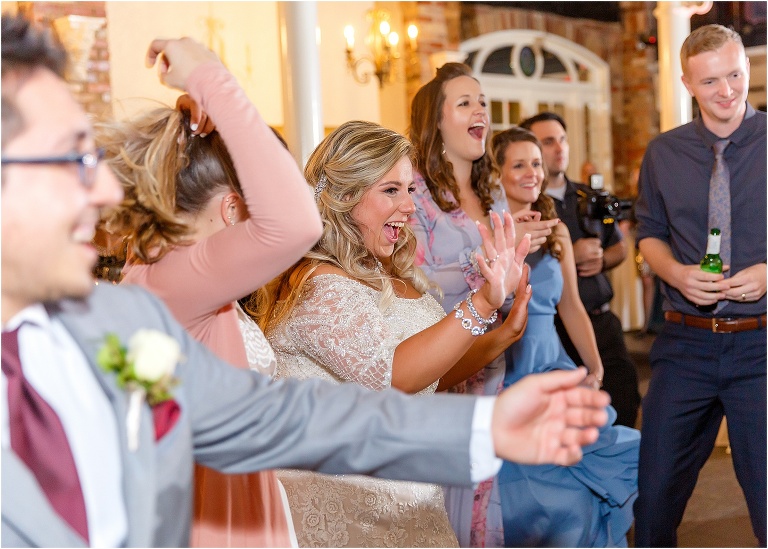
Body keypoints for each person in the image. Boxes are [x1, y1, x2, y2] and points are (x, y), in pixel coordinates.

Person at [0, 14, 613, 548]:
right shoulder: (161, 291)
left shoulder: (113, 325)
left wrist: (486, 425)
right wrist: (214, 77)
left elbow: (291, 417)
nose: (105, 190)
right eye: (69, 160)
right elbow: (296, 227)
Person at [250, 120, 532, 547]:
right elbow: (394, 377)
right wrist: (482, 304)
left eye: (410, 189)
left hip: (409, 501)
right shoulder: (315, 285)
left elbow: (430, 377)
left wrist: (505, 331)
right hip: (349, 515)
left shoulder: (390, 271)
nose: (409, 206)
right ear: (344, 196)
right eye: (391, 190)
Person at [95, 38, 319, 547]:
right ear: (234, 209)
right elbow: (299, 222)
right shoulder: (173, 280)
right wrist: (214, 80)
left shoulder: (155, 268)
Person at [407, 62, 560, 547]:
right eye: (465, 102)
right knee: (443, 505)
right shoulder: (416, 193)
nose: (481, 111)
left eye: (483, 103)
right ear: (436, 121)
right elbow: (413, 280)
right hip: (446, 366)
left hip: (491, 362)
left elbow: (503, 283)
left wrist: (514, 258)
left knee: (481, 503)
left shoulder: (490, 194)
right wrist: (486, 260)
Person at [633, 24, 766, 547]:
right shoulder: (663, 154)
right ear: (688, 81)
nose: (727, 90)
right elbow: (650, 234)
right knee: (655, 499)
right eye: (711, 80)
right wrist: (676, 273)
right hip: (684, 345)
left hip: (761, 347)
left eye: (735, 74)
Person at [492, 126, 639, 547]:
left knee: (589, 478)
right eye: (518, 164)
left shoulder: (556, 230)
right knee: (532, 496)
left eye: (535, 164)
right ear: (497, 173)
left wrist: (593, 365)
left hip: (552, 362)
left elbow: (571, 304)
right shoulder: (488, 228)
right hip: (509, 367)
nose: (531, 172)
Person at [520, 112, 641, 429]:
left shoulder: (589, 196)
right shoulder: (527, 204)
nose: (559, 148)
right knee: (572, 422)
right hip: (558, 328)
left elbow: (620, 247)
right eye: (548, 142)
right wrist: (568, 257)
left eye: (562, 139)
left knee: (624, 400)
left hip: (601, 319)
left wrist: (601, 260)